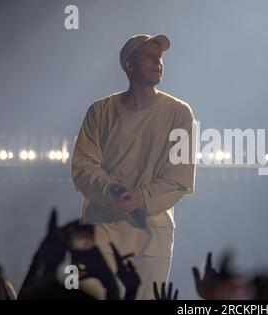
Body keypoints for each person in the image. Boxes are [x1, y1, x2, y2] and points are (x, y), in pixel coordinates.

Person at [72, 34, 196, 299]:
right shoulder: (100, 111)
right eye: (149, 56)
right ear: (129, 65)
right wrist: (113, 190)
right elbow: (83, 167)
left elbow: (179, 178)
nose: (158, 62)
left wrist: (141, 197)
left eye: (160, 57)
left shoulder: (179, 113)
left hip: (151, 236)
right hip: (100, 231)